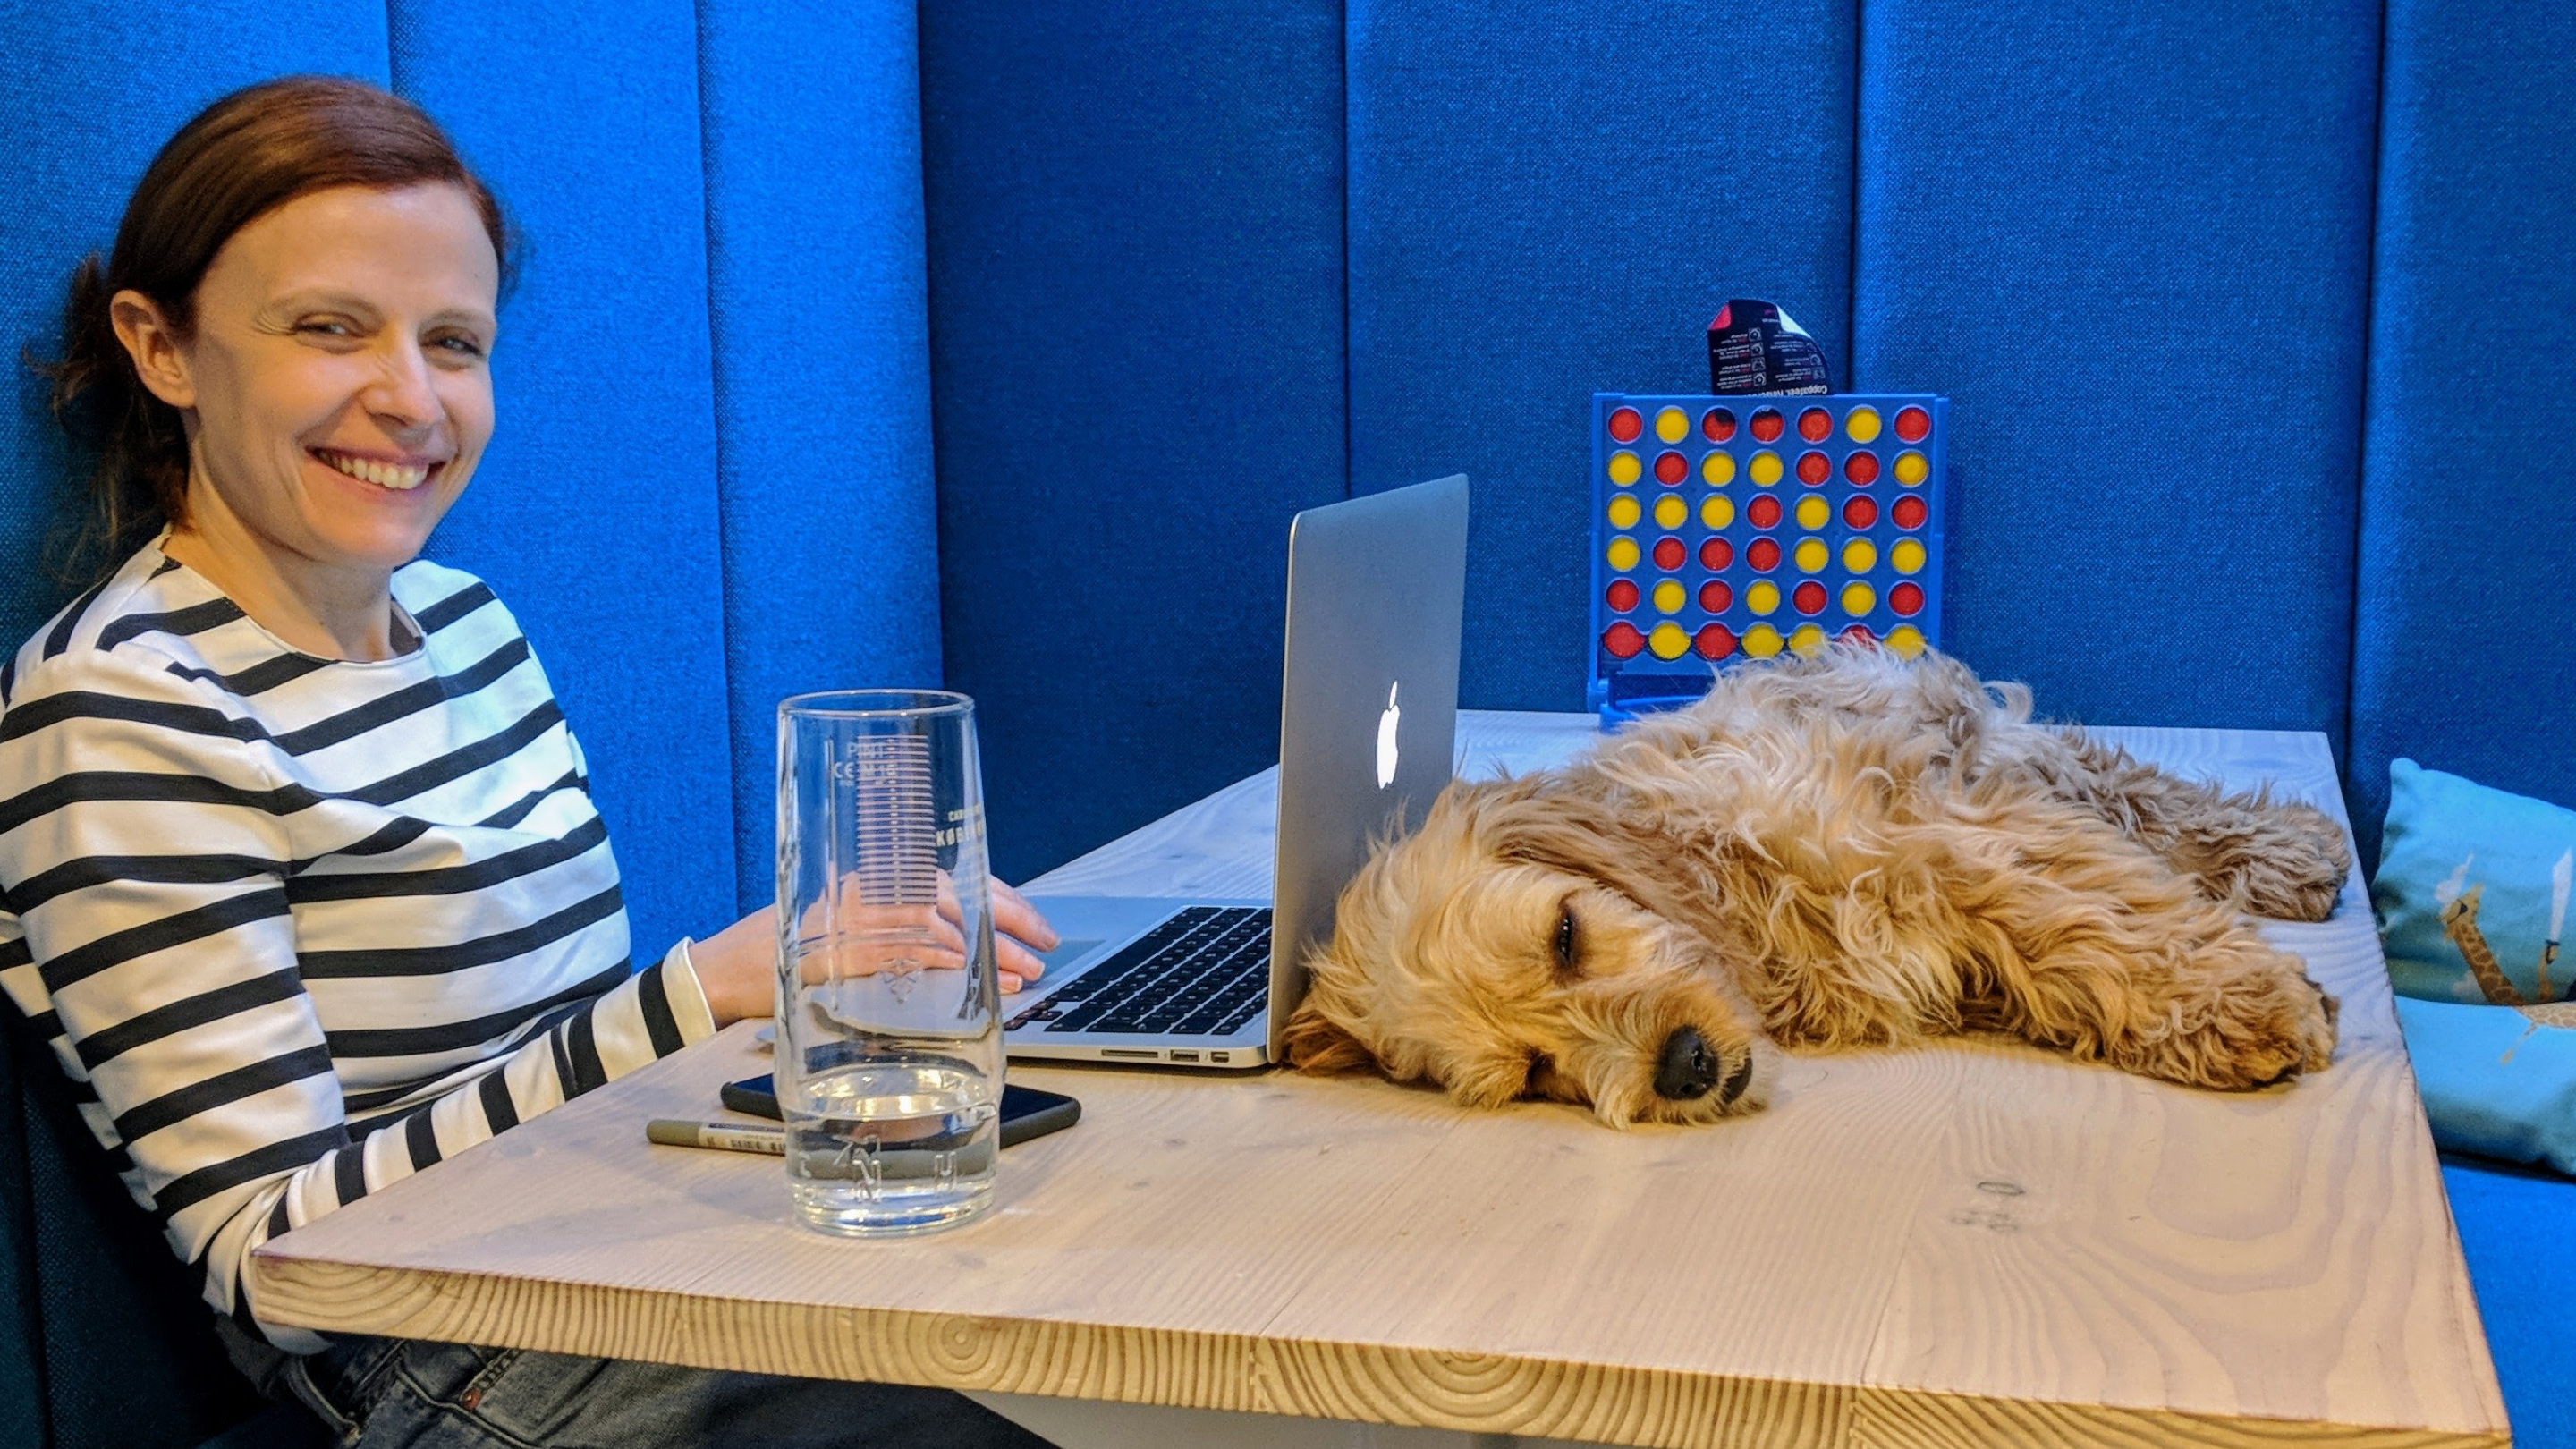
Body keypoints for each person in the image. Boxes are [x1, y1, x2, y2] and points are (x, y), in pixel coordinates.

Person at [0, 75, 1055, 1449]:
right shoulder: (120, 706)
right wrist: (703, 997)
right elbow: (275, 1266)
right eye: (330, 329)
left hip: (605, 1260)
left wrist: (829, 1015)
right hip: (442, 1371)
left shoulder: (468, 622)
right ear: (165, 349)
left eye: (454, 341)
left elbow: (546, 1075)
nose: (409, 398)